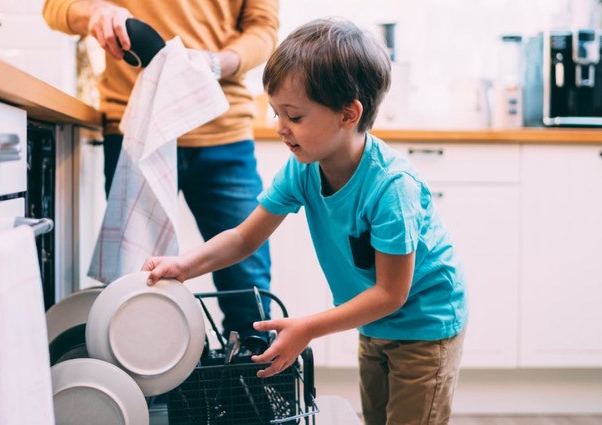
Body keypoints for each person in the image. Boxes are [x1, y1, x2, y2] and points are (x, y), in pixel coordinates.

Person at [143, 18, 469, 425]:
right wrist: (185, 266)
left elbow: (391, 293)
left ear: (348, 114)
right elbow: (245, 238)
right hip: (374, 324)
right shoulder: (303, 169)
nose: (280, 128)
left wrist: (308, 328)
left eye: (294, 117)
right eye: (277, 112)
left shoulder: (391, 189)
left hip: (425, 325)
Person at [42, 0, 279, 338]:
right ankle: (146, 385)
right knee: (137, 280)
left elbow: (263, 28)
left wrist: (215, 63)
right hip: (136, 128)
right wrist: (95, 13)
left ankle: (250, 380)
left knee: (247, 286)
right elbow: (56, 7)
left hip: (222, 129)